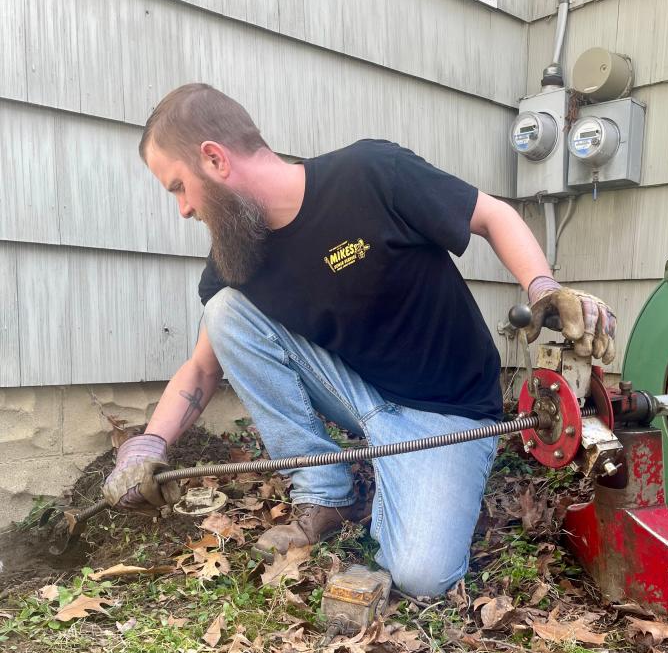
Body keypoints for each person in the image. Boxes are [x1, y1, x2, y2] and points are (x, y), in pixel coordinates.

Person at [103, 83, 616, 597]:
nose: (183, 210)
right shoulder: (238, 257)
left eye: (177, 186)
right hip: (358, 395)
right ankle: (325, 493)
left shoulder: (370, 174)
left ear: (214, 159)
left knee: (420, 575)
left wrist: (542, 286)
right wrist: (146, 446)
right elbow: (201, 368)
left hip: (450, 413)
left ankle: (408, 474)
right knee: (224, 312)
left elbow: (491, 215)